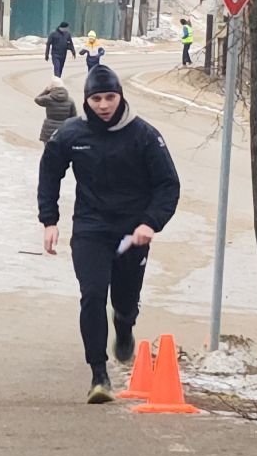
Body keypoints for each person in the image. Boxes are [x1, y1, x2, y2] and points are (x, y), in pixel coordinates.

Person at [38, 64, 181, 403]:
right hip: (91, 228)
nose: (104, 105)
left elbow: (168, 185)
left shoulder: (144, 135)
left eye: (110, 97)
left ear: (121, 97)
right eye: (97, 98)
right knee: (92, 294)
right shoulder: (71, 134)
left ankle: (125, 323)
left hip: (133, 231)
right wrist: (50, 220)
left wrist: (150, 223)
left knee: (125, 298)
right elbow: (49, 173)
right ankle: (98, 375)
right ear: (87, 100)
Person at [34, 75, 76, 143]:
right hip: (64, 130)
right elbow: (74, 118)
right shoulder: (70, 100)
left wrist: (46, 90)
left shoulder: (48, 99)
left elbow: (37, 99)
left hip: (49, 131)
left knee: (49, 151)